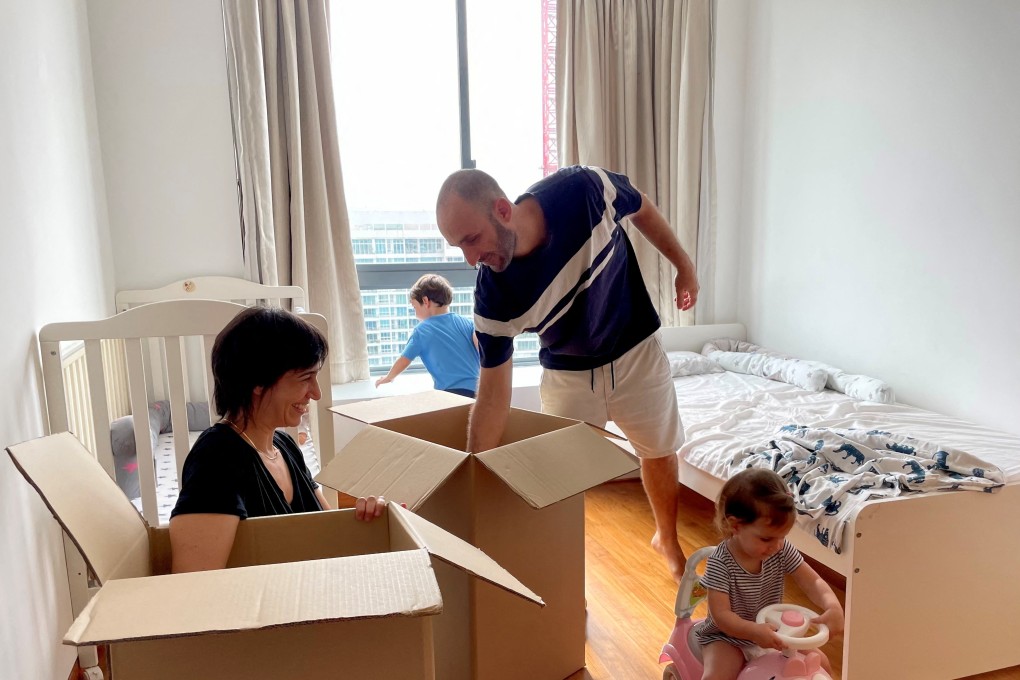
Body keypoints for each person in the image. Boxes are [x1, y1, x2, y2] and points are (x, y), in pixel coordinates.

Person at [435, 165, 697, 582]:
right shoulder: (493, 295)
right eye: (458, 247)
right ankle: (569, 582)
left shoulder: (584, 190)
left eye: (471, 240)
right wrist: (473, 474)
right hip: (567, 374)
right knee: (561, 480)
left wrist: (684, 265)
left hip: (636, 351)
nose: (470, 260)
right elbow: (492, 397)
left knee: (659, 452)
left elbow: (641, 207)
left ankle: (667, 539)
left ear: (502, 210)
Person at [169, 306, 386, 573]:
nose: (316, 393)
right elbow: (193, 580)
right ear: (258, 381)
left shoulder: (285, 446)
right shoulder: (216, 458)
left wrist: (366, 520)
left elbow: (329, 534)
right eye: (306, 378)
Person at [695, 469, 844, 680]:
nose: (776, 545)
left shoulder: (780, 550)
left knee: (822, 664)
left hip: (775, 632)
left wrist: (833, 606)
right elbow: (722, 616)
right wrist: (753, 631)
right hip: (728, 638)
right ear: (735, 525)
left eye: (782, 537)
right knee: (718, 676)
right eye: (766, 539)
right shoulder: (721, 562)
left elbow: (813, 581)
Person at [375, 273, 480, 398]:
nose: (415, 314)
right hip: (477, 390)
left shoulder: (421, 331)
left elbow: (404, 359)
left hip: (449, 393)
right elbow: (482, 349)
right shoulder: (467, 323)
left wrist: (389, 377)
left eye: (414, 307)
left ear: (425, 301)